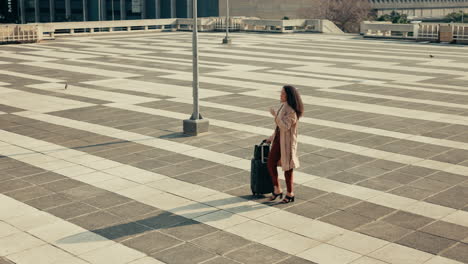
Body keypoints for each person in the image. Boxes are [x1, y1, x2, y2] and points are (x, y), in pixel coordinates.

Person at [266, 85, 304, 203]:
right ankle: (277, 189)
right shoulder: (283, 105)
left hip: (287, 142)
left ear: (289, 96)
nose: (280, 95)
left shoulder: (292, 110)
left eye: (283, 93)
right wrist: (272, 137)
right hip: (278, 140)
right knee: (271, 163)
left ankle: (290, 193)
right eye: (281, 93)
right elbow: (278, 127)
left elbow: (285, 126)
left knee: (288, 167)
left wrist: (275, 116)